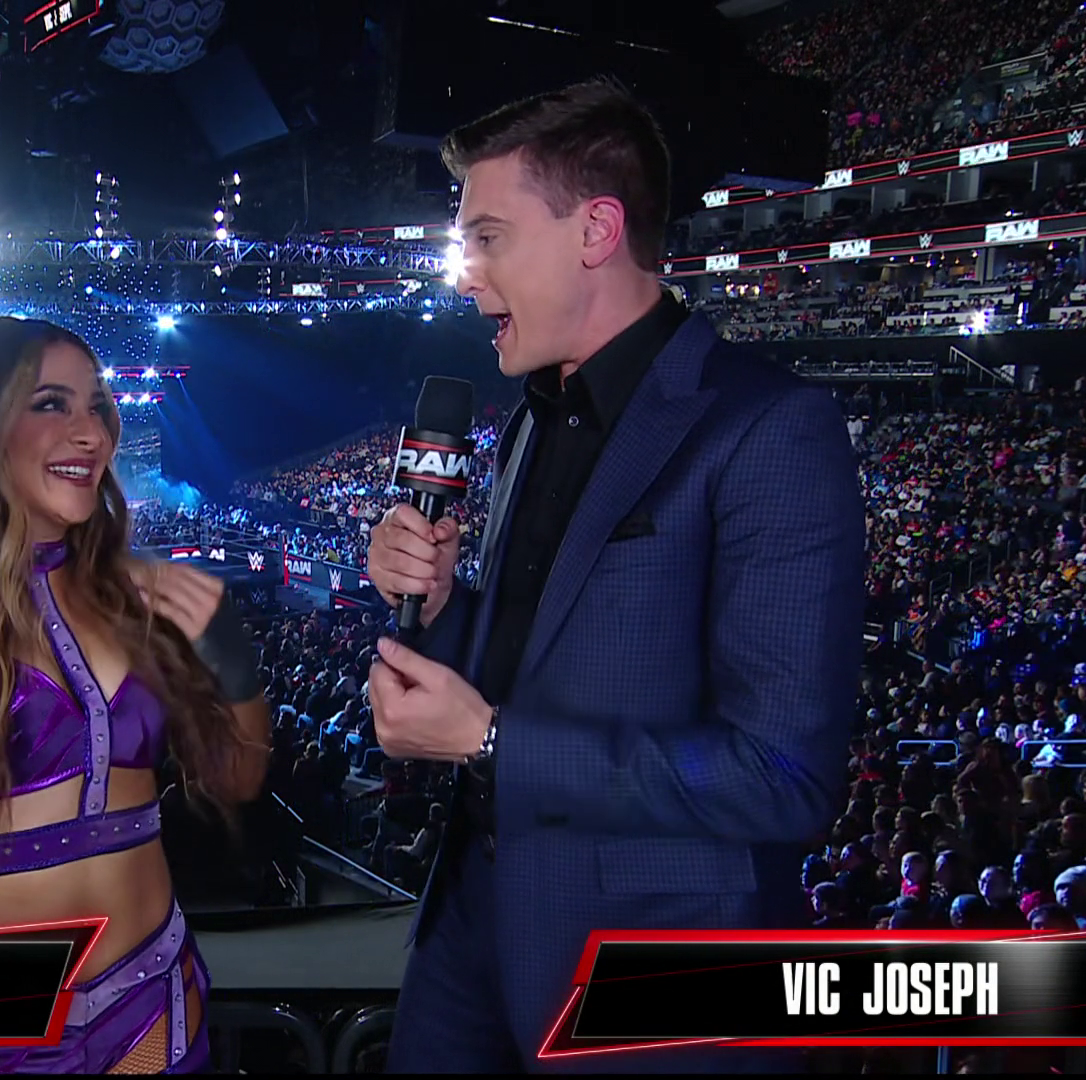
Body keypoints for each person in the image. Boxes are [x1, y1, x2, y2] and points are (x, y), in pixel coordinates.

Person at [364, 79, 865, 1072]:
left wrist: (493, 743)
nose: (466, 276)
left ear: (596, 230)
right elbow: (528, 666)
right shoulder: (529, 420)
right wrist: (442, 603)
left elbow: (784, 779)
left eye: (488, 238)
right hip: (466, 933)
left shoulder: (769, 428)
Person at [0, 316, 270, 1073]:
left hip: (152, 1003)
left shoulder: (126, 597)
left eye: (97, 406)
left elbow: (239, 777)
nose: (91, 433)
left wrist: (228, 652)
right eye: (49, 404)